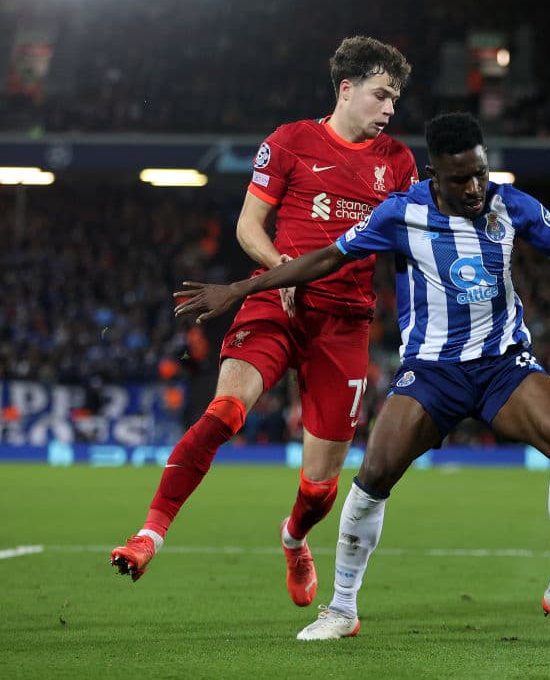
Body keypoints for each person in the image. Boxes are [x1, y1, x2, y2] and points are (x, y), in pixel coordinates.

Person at [173, 111, 550, 640]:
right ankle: (341, 610)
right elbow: (324, 259)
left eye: (479, 172)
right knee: (372, 479)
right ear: (436, 175)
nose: (475, 187)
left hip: (502, 365)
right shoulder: (399, 213)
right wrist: (243, 289)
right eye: (461, 179)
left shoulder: (512, 206)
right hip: (431, 372)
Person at [110, 36, 420, 609]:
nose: (390, 110)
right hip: (276, 302)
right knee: (224, 411)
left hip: (346, 323)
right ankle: (149, 533)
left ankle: (293, 539)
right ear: (346, 90)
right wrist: (282, 270)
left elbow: (406, 250)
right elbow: (249, 227)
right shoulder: (291, 141)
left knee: (320, 487)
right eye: (381, 96)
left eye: (395, 100)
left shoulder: (398, 163)